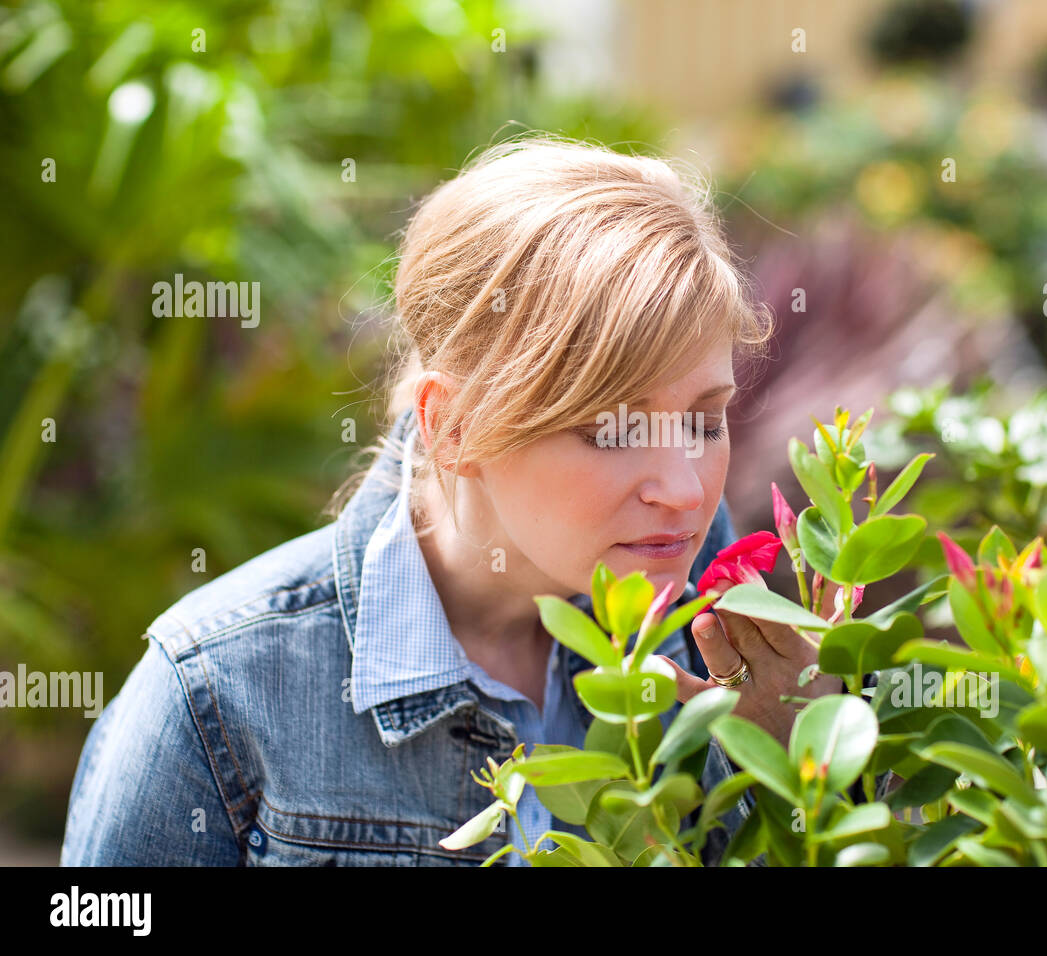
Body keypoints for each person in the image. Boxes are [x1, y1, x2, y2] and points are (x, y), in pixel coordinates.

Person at [59, 134, 845, 867]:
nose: (683, 489)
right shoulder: (217, 695)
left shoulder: (733, 643)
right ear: (454, 426)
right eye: (610, 431)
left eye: (704, 421)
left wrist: (802, 771)